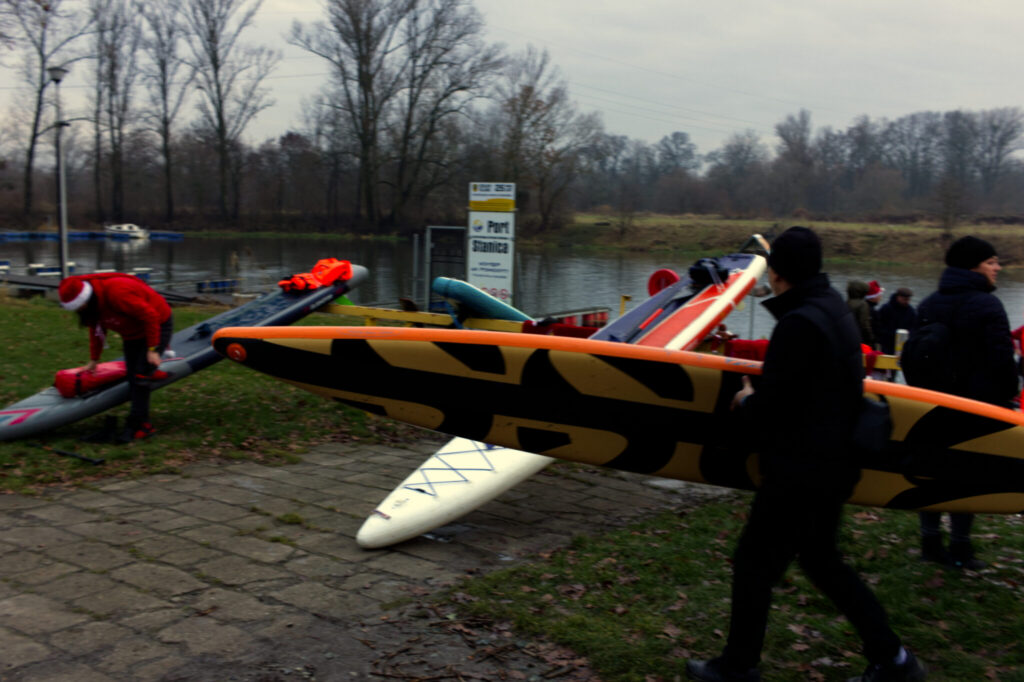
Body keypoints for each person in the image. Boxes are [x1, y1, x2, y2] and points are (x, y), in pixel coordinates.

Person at [686, 227, 925, 682]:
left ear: (777, 273)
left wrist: (746, 400)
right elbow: (811, 391)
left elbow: (775, 410)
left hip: (800, 471)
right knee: (821, 562)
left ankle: (737, 667)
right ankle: (895, 661)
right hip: (831, 464)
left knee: (755, 564)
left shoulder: (799, 323)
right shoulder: (831, 306)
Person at [912, 236, 1017, 570]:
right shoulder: (988, 306)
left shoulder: (928, 303)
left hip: (930, 405)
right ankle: (960, 548)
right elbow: (1002, 361)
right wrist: (1007, 399)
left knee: (931, 472)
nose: (998, 268)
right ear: (973, 267)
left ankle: (930, 543)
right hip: (975, 407)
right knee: (966, 476)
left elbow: (913, 356)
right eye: (991, 262)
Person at [58, 272, 173, 443]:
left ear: (85, 299)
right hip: (132, 333)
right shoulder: (92, 306)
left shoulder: (117, 293)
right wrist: (94, 359)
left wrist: (152, 349)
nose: (79, 311)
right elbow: (97, 330)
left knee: (140, 376)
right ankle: (148, 379)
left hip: (158, 322)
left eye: (79, 307)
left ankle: (141, 426)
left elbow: (150, 316)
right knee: (133, 376)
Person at [877, 287, 917, 355]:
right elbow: (879, 324)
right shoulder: (886, 308)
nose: (906, 302)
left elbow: (914, 327)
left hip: (904, 342)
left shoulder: (911, 311)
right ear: (898, 297)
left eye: (908, 300)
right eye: (904, 299)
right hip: (887, 341)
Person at [847, 280, 877, 349]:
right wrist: (871, 338)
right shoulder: (863, 305)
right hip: (860, 339)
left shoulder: (847, 302)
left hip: (849, 336)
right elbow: (864, 324)